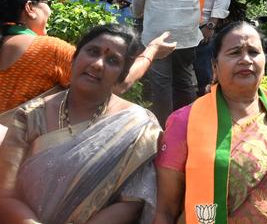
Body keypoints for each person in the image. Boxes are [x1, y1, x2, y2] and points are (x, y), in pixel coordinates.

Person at [0, 24, 161, 223]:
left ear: (122, 75)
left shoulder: (139, 125)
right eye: (93, 52)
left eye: (112, 61)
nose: (98, 64)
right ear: (75, 56)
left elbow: (131, 201)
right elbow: (6, 193)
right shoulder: (31, 116)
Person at [155, 21, 267, 223]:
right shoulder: (184, 122)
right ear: (215, 65)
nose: (245, 60)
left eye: (253, 52)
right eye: (234, 53)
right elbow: (166, 210)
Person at [0, 0, 172, 113]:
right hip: (29, 151)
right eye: (47, 2)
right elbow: (115, 85)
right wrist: (152, 51)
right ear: (30, 8)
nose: (50, 10)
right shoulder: (46, 49)